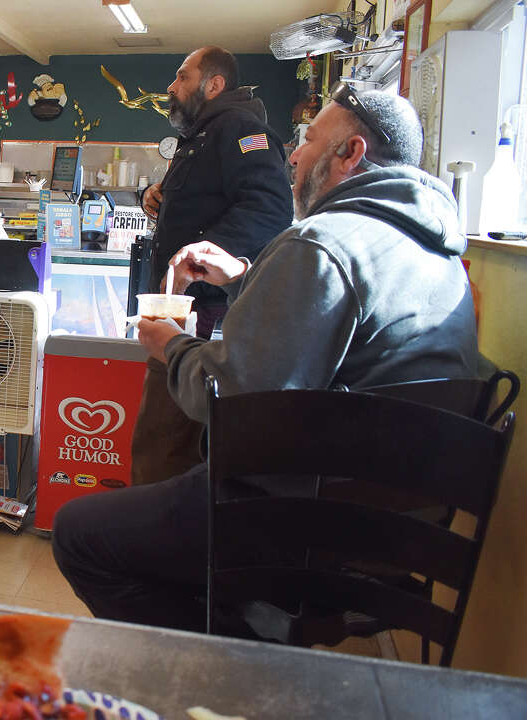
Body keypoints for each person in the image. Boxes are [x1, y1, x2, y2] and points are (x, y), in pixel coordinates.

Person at [52, 85, 484, 631]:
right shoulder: (437, 252)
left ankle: (235, 661)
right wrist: (245, 278)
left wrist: (170, 346)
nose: (296, 156)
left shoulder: (321, 243)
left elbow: (234, 403)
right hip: (405, 530)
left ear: (351, 154)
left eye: (309, 141)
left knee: (80, 534)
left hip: (297, 522)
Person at [132, 46, 292, 484]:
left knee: (164, 441)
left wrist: (204, 256)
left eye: (182, 77)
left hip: (203, 310)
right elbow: (198, 200)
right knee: (161, 437)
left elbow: (270, 207)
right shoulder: (202, 135)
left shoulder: (239, 129)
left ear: (214, 84)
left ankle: (157, 538)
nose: (171, 86)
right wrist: (152, 198)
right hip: (178, 306)